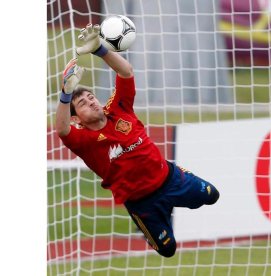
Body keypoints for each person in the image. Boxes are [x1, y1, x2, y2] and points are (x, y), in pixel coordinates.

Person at [55, 23, 220, 258]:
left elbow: (126, 72)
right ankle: (158, 217)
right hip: (143, 204)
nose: (91, 102)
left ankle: (176, 194)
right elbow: (61, 129)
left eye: (91, 97)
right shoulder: (84, 140)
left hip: (171, 179)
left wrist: (99, 49)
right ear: (77, 120)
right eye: (82, 103)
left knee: (212, 195)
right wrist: (65, 94)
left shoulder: (118, 108)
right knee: (167, 249)